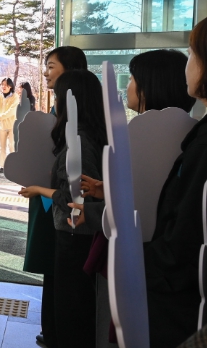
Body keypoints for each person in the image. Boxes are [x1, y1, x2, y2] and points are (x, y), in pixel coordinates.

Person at [71, 48, 196, 348]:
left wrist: (101, 204)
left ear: (150, 87)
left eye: (132, 79)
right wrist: (109, 188)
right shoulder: (190, 134)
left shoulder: (142, 137)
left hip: (141, 262)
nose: (127, 86)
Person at [18, 69, 107, 348]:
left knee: (71, 313)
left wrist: (39, 189)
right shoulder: (92, 135)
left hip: (74, 235)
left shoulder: (78, 141)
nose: (54, 103)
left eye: (57, 96)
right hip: (81, 235)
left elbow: (74, 198)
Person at [139, 22, 207, 348]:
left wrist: (138, 261)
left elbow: (186, 232)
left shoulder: (204, 142)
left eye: (192, 54)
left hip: (180, 301)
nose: (187, 65)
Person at [25, 46, 88, 348]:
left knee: (62, 273)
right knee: (52, 271)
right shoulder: (58, 110)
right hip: (49, 201)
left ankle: (55, 332)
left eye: (51, 66)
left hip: (62, 206)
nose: (46, 72)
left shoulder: (76, 120)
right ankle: (50, 329)